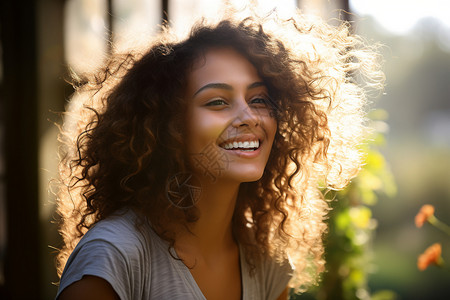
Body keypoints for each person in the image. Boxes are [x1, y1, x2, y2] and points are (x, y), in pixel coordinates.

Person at [54, 8, 383, 300]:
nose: (249, 117)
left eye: (258, 100)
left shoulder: (268, 261)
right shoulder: (114, 257)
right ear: (169, 126)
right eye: (217, 102)